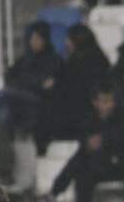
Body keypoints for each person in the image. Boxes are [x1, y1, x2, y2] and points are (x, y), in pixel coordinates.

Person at [51, 85, 124, 202]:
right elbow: (83, 142)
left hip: (116, 166)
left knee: (81, 160)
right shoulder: (88, 121)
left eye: (110, 100)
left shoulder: (121, 119)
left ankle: (56, 191)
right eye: (104, 101)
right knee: (83, 163)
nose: (109, 105)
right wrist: (89, 145)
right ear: (95, 103)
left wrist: (103, 141)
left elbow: (123, 142)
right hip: (93, 166)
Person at [37, 24, 111, 152]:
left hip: (75, 113)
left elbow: (69, 89)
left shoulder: (77, 63)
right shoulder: (100, 59)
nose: (66, 43)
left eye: (68, 39)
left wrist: (53, 85)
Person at [0, 21, 62, 135]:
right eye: (32, 38)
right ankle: (2, 148)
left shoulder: (53, 60)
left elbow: (43, 84)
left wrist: (24, 83)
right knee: (4, 113)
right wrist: (30, 83)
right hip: (18, 99)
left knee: (2, 94)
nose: (34, 42)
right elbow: (8, 77)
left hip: (38, 102)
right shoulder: (24, 60)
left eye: (38, 38)